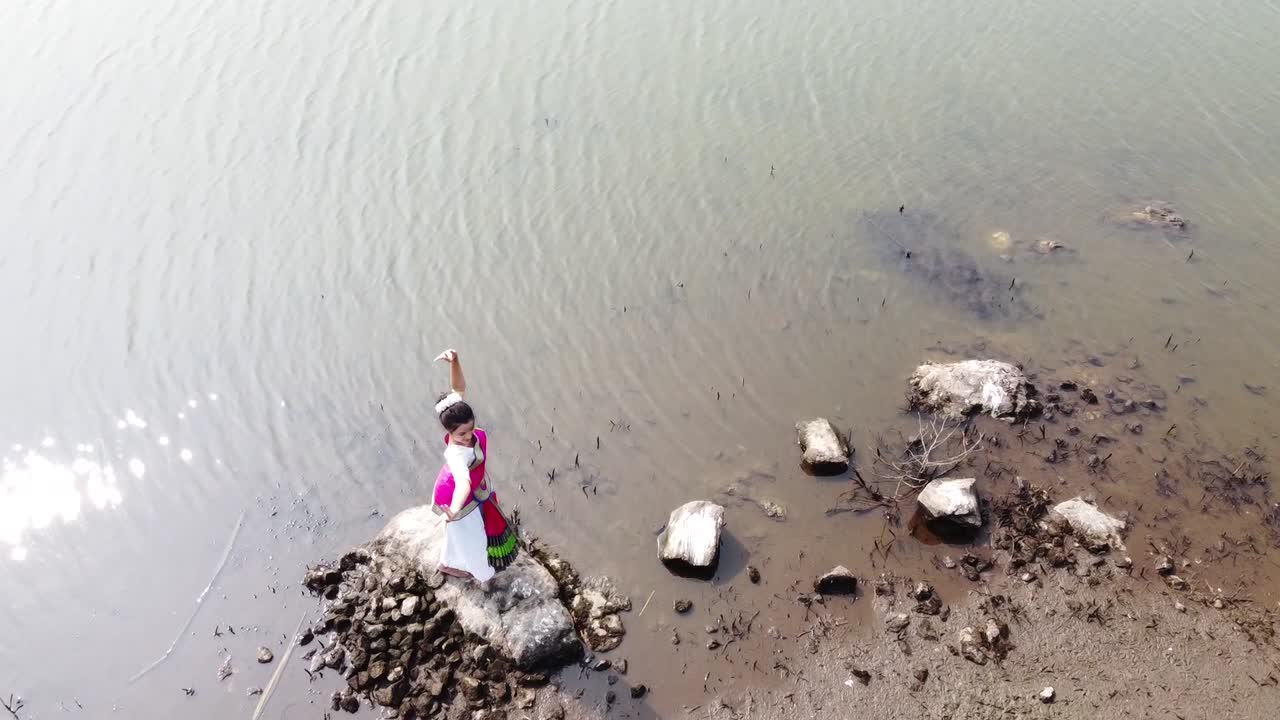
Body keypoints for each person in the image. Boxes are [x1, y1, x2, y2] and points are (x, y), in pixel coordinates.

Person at [431, 348, 518, 583]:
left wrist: (455, 361)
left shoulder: (458, 414)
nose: (469, 436)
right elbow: (463, 482)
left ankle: (447, 562)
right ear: (449, 432)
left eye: (471, 428)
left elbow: (458, 389)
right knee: (472, 537)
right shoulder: (455, 455)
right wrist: (454, 510)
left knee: (461, 533)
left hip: (473, 489)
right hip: (457, 494)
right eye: (461, 434)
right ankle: (477, 571)